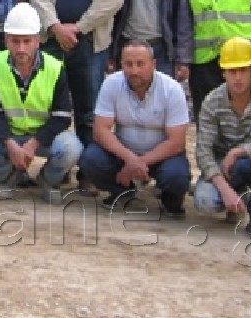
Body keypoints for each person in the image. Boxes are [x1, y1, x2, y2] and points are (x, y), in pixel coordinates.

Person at [29, 0, 125, 159]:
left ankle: (88, 167)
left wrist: (79, 27)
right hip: (52, 40)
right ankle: (57, 164)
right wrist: (56, 26)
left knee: (89, 107)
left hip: (91, 42)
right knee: (48, 105)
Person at [0, 2, 81, 200]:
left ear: (37, 41)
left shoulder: (55, 68)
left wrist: (32, 145)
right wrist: (11, 145)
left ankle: (47, 180)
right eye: (15, 41)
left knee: (73, 148)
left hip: (42, 137)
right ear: (6, 40)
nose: (21, 48)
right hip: (8, 135)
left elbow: (62, 116)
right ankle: (12, 177)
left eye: (27, 41)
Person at [78, 39, 191, 217]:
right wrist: (130, 159)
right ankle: (123, 191)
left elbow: (176, 142)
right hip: (124, 154)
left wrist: (140, 163)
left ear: (153, 64)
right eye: (128, 64)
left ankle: (171, 201)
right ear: (121, 64)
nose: (134, 70)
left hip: (161, 156)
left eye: (140, 64)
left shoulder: (172, 90)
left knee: (176, 176)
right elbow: (100, 131)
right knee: (90, 159)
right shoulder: (111, 84)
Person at [190, 37, 251, 241]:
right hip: (224, 167)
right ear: (223, 73)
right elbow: (203, 152)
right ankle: (239, 198)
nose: (238, 77)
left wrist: (239, 151)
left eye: (243, 70)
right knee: (205, 200)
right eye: (232, 71)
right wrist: (225, 190)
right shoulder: (212, 102)